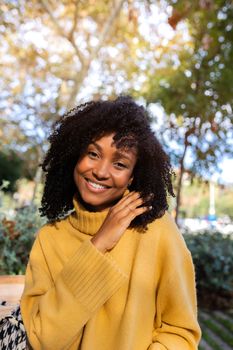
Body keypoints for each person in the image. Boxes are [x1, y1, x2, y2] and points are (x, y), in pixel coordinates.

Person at [20, 96, 201, 350]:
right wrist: (98, 244)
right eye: (93, 154)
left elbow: (180, 331)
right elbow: (42, 340)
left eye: (119, 163)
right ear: (75, 157)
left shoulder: (156, 231)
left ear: (131, 176)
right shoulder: (49, 239)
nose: (101, 172)